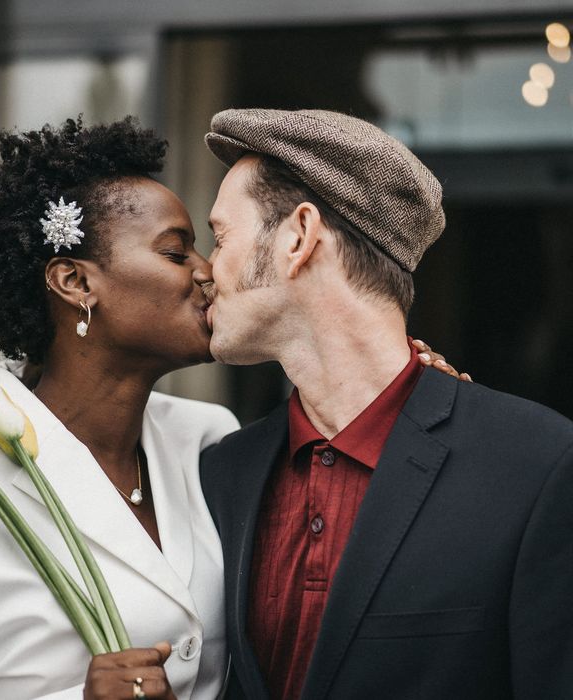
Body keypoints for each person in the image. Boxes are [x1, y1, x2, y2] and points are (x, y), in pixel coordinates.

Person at [0, 115, 457, 700]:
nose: (209, 271)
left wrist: (396, 392)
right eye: (176, 251)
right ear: (77, 282)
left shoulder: (213, 446)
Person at [199, 108, 573, 700]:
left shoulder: (537, 465)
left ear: (298, 237)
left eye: (219, 237)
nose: (204, 269)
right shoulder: (223, 472)